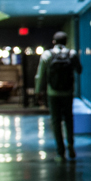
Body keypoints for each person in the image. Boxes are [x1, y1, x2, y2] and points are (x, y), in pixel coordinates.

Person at [35, 31, 82, 161]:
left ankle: (60, 153)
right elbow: (79, 70)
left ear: (53, 42)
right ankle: (71, 144)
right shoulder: (71, 54)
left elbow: (40, 75)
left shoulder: (47, 54)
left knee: (56, 121)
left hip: (53, 92)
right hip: (68, 92)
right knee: (68, 119)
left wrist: (38, 91)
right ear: (66, 42)